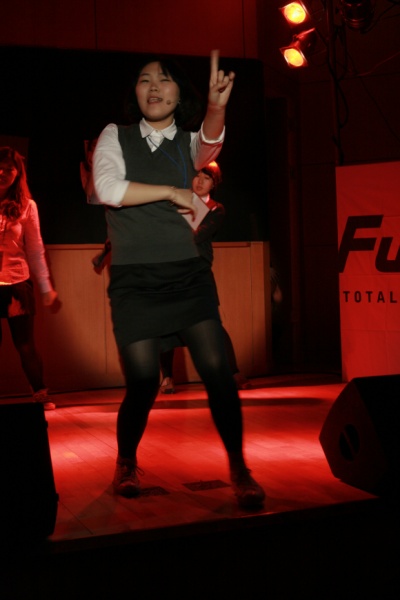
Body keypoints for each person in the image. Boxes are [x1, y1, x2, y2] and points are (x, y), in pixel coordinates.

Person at [92, 50, 265, 509]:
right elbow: (107, 189)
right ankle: (126, 461)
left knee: (217, 372)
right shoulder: (115, 135)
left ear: (178, 93)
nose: (153, 87)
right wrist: (172, 191)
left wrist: (217, 106)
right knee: (143, 380)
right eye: (144, 79)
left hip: (187, 275)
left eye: (164, 79)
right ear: (135, 92)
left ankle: (240, 468)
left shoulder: (187, 143)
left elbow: (209, 144)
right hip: (134, 280)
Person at [159, 161, 252, 394]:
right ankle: (167, 377)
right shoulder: (177, 201)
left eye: (207, 178)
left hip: (198, 272)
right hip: (171, 271)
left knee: (212, 325)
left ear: (214, 184)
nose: (200, 181)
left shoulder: (216, 208)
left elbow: (196, 236)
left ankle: (233, 372)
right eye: (198, 176)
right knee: (167, 326)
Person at [0, 146, 58, 410]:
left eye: (9, 169)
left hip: (17, 282)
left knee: (25, 345)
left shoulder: (27, 205)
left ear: (18, 173)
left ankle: (40, 393)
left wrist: (46, 287)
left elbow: (35, 249)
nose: (3, 173)